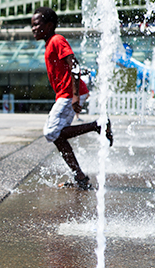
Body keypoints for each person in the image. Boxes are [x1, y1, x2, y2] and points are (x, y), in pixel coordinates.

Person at [31, 7, 113, 190]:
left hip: (70, 94)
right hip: (66, 94)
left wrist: (75, 96)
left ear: (49, 25)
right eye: (32, 26)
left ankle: (97, 125)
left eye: (37, 25)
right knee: (58, 137)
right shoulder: (49, 43)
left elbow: (74, 64)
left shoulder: (57, 40)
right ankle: (80, 178)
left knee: (51, 132)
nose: (33, 29)